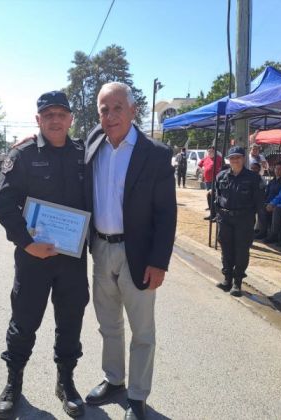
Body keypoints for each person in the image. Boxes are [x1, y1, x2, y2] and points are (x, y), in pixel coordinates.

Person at [0, 91, 89, 418]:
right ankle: (13, 381)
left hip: (72, 259)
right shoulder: (23, 156)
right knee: (24, 321)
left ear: (71, 118)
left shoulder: (83, 155)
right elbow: (2, 205)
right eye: (49, 114)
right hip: (33, 258)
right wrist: (26, 242)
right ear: (38, 119)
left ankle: (66, 382)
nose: (56, 119)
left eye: (62, 113)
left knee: (71, 322)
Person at [83, 82, 176, 420]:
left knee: (142, 330)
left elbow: (167, 214)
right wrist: (32, 140)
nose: (110, 116)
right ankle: (114, 380)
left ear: (133, 110)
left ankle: (137, 395)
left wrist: (158, 262)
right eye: (104, 110)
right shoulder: (94, 143)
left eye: (117, 107)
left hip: (138, 254)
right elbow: (61, 146)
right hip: (101, 250)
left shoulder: (155, 154)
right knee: (108, 325)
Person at [214, 146, 264, 297]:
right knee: (226, 249)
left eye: (238, 157)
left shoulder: (253, 178)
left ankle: (237, 282)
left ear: (243, 159)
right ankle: (227, 279)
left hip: (244, 219)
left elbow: (259, 202)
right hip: (225, 218)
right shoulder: (221, 176)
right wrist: (218, 215)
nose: (235, 160)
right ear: (228, 160)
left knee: (241, 251)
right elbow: (217, 197)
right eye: (232, 158)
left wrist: (258, 222)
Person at [255, 161, 281, 240]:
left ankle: (266, 232)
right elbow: (267, 193)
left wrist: (272, 204)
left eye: (280, 169)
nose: (277, 171)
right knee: (259, 207)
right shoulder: (272, 181)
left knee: (264, 209)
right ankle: (261, 230)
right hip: (268, 202)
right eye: (276, 168)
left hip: (277, 204)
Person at [198, 146, 223, 220]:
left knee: (215, 197)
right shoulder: (206, 158)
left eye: (211, 151)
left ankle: (216, 215)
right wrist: (202, 171)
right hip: (207, 181)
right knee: (209, 197)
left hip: (215, 181)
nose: (210, 153)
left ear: (215, 151)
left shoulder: (218, 158)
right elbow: (199, 165)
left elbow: (224, 166)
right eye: (209, 151)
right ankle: (212, 214)